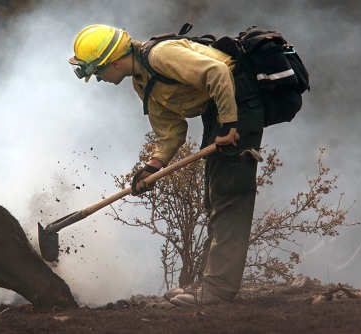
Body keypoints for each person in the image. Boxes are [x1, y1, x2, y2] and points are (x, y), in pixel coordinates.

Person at [68, 24, 264, 307]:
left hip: (239, 101)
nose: (97, 79)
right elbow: (171, 131)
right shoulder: (141, 80)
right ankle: (206, 283)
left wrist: (230, 123)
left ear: (113, 61)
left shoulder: (160, 56)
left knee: (229, 195)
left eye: (97, 71)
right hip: (221, 109)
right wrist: (152, 168)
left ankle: (218, 290)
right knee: (214, 198)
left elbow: (217, 72)